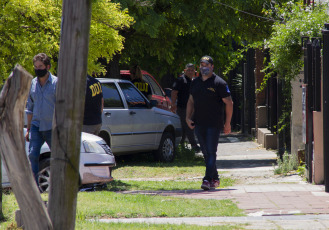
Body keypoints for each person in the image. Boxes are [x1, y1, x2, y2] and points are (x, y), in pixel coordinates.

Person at [186, 55, 233, 190]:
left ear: (212, 66)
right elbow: (190, 101)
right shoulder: (195, 82)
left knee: (212, 151)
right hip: (199, 123)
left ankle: (207, 179)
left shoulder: (219, 83)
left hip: (214, 123)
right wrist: (187, 118)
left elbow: (229, 102)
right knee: (206, 152)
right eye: (201, 65)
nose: (203, 68)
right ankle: (215, 177)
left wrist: (228, 123)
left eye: (206, 65)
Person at [25, 53, 57, 184]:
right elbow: (30, 107)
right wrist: (28, 128)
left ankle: (57, 186)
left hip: (52, 127)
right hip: (36, 126)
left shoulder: (57, 83)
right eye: (36, 66)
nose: (38, 69)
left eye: (41, 66)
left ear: (48, 66)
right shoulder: (32, 83)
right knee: (32, 155)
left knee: (57, 157)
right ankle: (35, 188)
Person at [171, 63, 200, 152]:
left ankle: (180, 146)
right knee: (189, 125)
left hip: (192, 108)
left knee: (184, 127)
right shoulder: (180, 80)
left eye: (192, 70)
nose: (190, 72)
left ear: (195, 72)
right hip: (183, 107)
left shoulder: (194, 81)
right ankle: (194, 145)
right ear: (185, 70)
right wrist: (173, 104)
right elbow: (174, 92)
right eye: (188, 70)